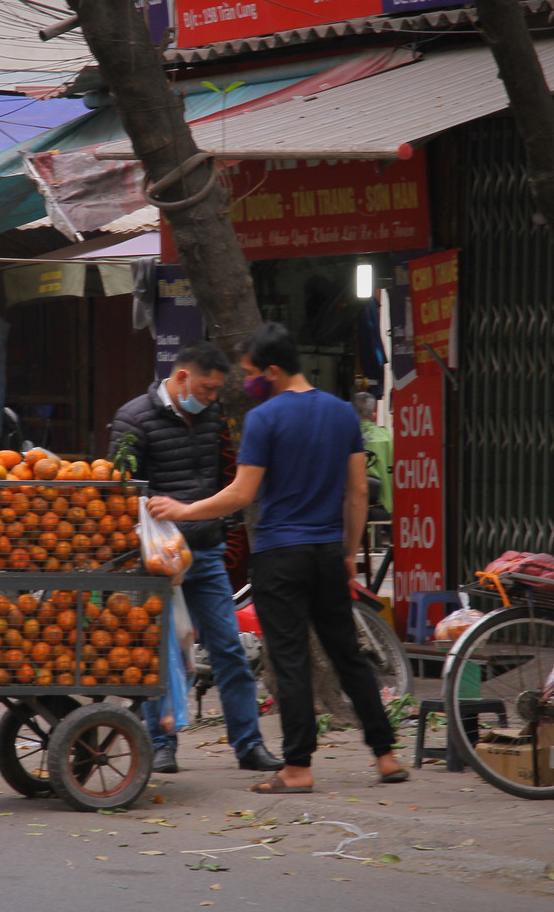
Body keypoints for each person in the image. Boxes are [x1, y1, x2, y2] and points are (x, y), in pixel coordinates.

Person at [149, 324, 408, 792]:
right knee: (348, 653)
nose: (246, 382)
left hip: (279, 555)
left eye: (250, 373)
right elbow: (356, 493)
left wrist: (185, 509)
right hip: (328, 552)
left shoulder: (264, 420)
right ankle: (386, 756)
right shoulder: (342, 414)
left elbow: (242, 493)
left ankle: (297, 768)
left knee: (288, 660)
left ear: (272, 371)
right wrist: (348, 552)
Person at [110, 341, 283, 775]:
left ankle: (249, 745)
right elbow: (118, 489)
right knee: (161, 654)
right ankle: (161, 745)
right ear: (183, 377)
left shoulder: (212, 419)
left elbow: (220, 478)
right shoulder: (134, 417)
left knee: (228, 649)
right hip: (155, 560)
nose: (211, 398)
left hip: (204, 553)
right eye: (206, 388)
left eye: (216, 391)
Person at [353, 391, 393, 518]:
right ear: (374, 414)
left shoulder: (344, 435)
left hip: (353, 506)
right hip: (385, 506)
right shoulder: (385, 437)